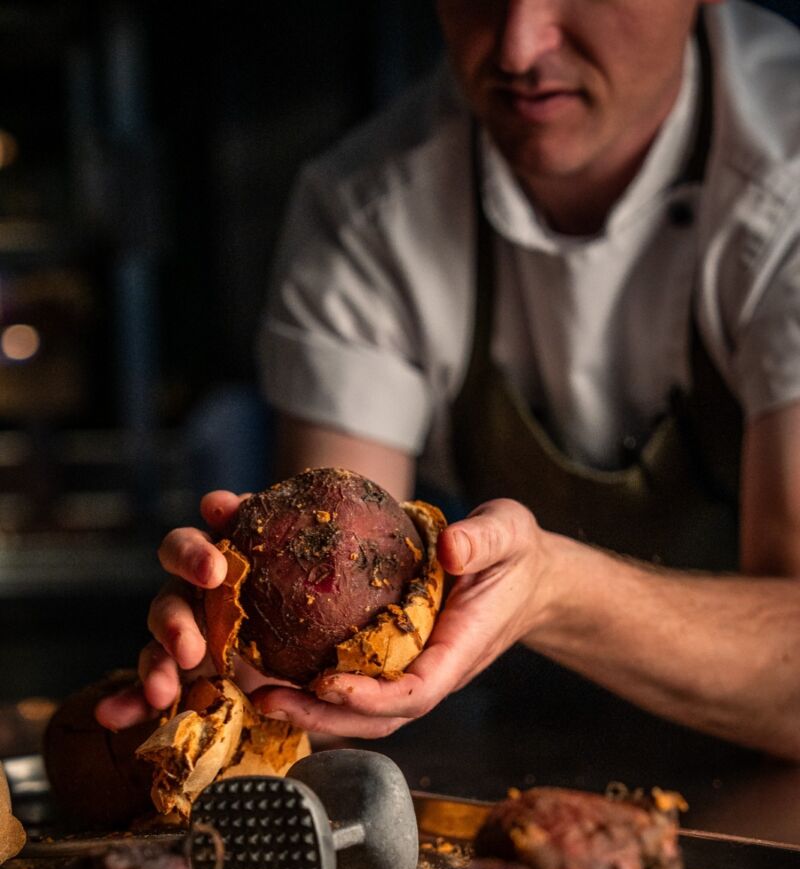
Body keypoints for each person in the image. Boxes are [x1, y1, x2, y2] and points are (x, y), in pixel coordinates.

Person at [97, 0, 800, 761]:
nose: (520, 46)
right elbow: (330, 652)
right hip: (518, 746)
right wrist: (237, 632)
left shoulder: (786, 178)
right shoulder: (367, 214)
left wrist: (553, 591)